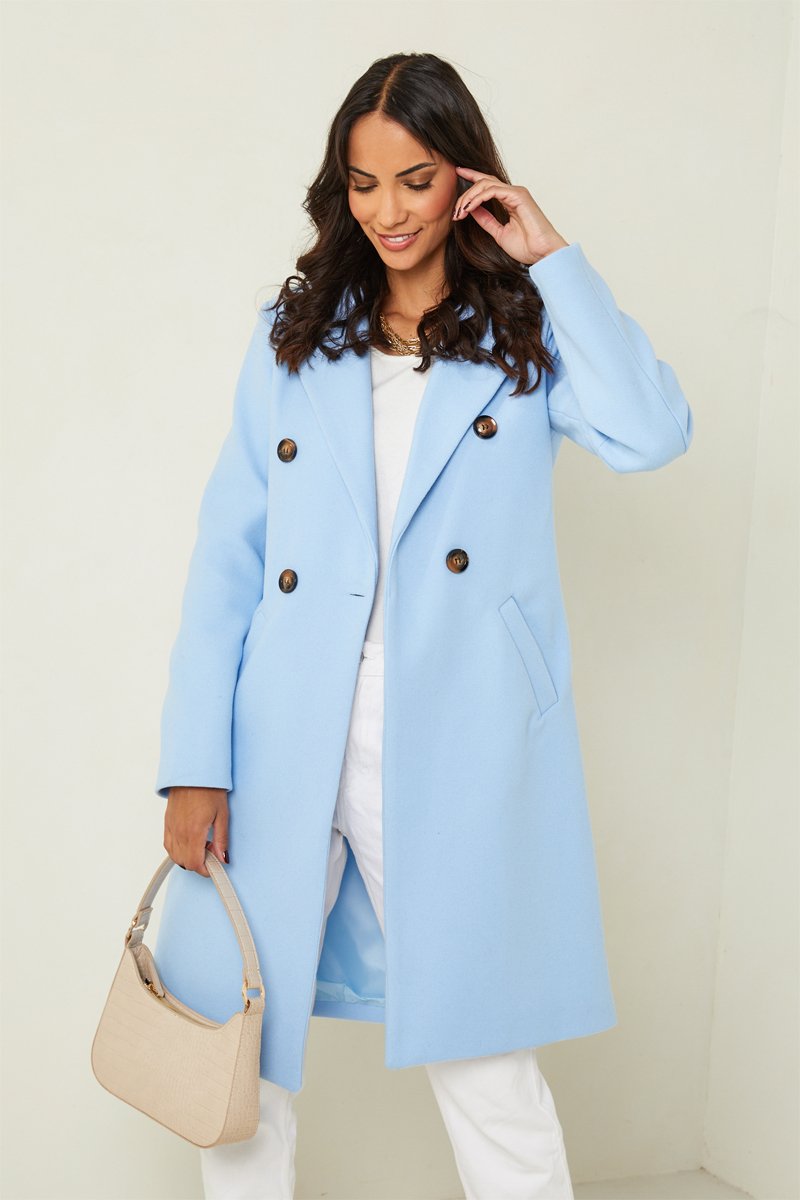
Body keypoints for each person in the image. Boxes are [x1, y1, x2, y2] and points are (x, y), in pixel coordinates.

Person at [154, 51, 693, 1200]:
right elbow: (227, 555)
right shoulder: (295, 334)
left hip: (458, 730)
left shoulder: (524, 331)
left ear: (464, 179)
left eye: (415, 180)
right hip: (287, 727)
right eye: (363, 183)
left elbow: (651, 433)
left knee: (483, 1051)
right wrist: (196, 762)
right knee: (237, 1046)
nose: (388, 211)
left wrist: (552, 257)